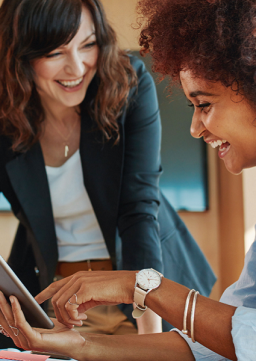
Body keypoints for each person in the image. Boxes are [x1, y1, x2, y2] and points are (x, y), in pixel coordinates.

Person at [0, 0, 255, 359]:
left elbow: (138, 210)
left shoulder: (126, 83)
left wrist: (144, 303)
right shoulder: (7, 112)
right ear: (20, 54)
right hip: (58, 296)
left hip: (140, 283)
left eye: (88, 44)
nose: (76, 66)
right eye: (56, 51)